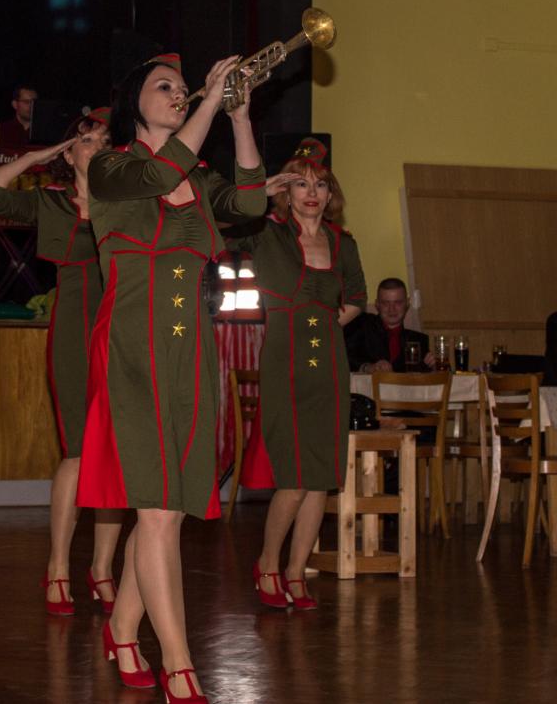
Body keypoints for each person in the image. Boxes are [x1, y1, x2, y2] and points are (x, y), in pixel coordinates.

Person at [77, 53, 267, 701]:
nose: (180, 94)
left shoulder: (201, 176)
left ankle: (123, 628)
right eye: (167, 86)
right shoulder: (114, 167)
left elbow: (251, 202)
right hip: (132, 345)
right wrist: (210, 99)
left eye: (185, 88)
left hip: (190, 349)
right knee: (157, 509)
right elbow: (161, 172)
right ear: (134, 102)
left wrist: (237, 116)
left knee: (170, 508)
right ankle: (180, 664)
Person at [0, 110, 123, 618]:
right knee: (78, 451)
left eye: (106, 140)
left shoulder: (130, 204)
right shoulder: (50, 202)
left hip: (124, 331)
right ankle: (58, 565)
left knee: (116, 455)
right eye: (87, 140)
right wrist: (37, 155)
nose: (98, 146)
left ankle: (102, 569)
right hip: (76, 332)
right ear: (68, 153)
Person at [231, 138, 366, 613]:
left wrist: (320, 327)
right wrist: (258, 192)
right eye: (301, 184)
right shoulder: (265, 233)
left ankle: (295, 570)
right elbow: (219, 227)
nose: (312, 193)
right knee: (293, 476)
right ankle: (267, 563)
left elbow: (356, 299)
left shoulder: (343, 242)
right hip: (283, 361)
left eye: (320, 185)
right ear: (286, 193)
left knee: (321, 477)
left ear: (331, 194)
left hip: (328, 363)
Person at [344, 277, 432, 372]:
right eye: (385, 303)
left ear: (407, 304)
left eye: (398, 303)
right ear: (377, 304)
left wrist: (432, 366)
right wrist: (368, 367)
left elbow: (421, 375)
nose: (392, 309)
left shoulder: (419, 340)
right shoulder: (360, 325)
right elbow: (344, 357)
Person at [0, 84, 38, 148]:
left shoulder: (44, 132)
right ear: (15, 104)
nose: (31, 106)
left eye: (34, 102)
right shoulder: (1, 130)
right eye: (26, 102)